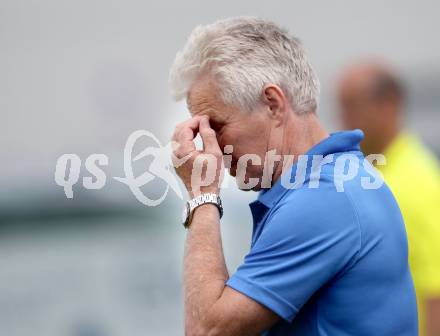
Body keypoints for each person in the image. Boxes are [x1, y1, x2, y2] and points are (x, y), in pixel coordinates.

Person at [169, 17, 418, 335]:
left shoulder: (323, 199)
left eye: (215, 127)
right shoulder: (336, 181)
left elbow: (207, 330)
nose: (209, 146)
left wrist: (202, 196)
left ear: (273, 104)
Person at [337, 61, 440, 336]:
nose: (344, 119)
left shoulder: (416, 179)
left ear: (390, 104)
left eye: (353, 106)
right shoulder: (374, 171)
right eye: (342, 106)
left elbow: (436, 288)